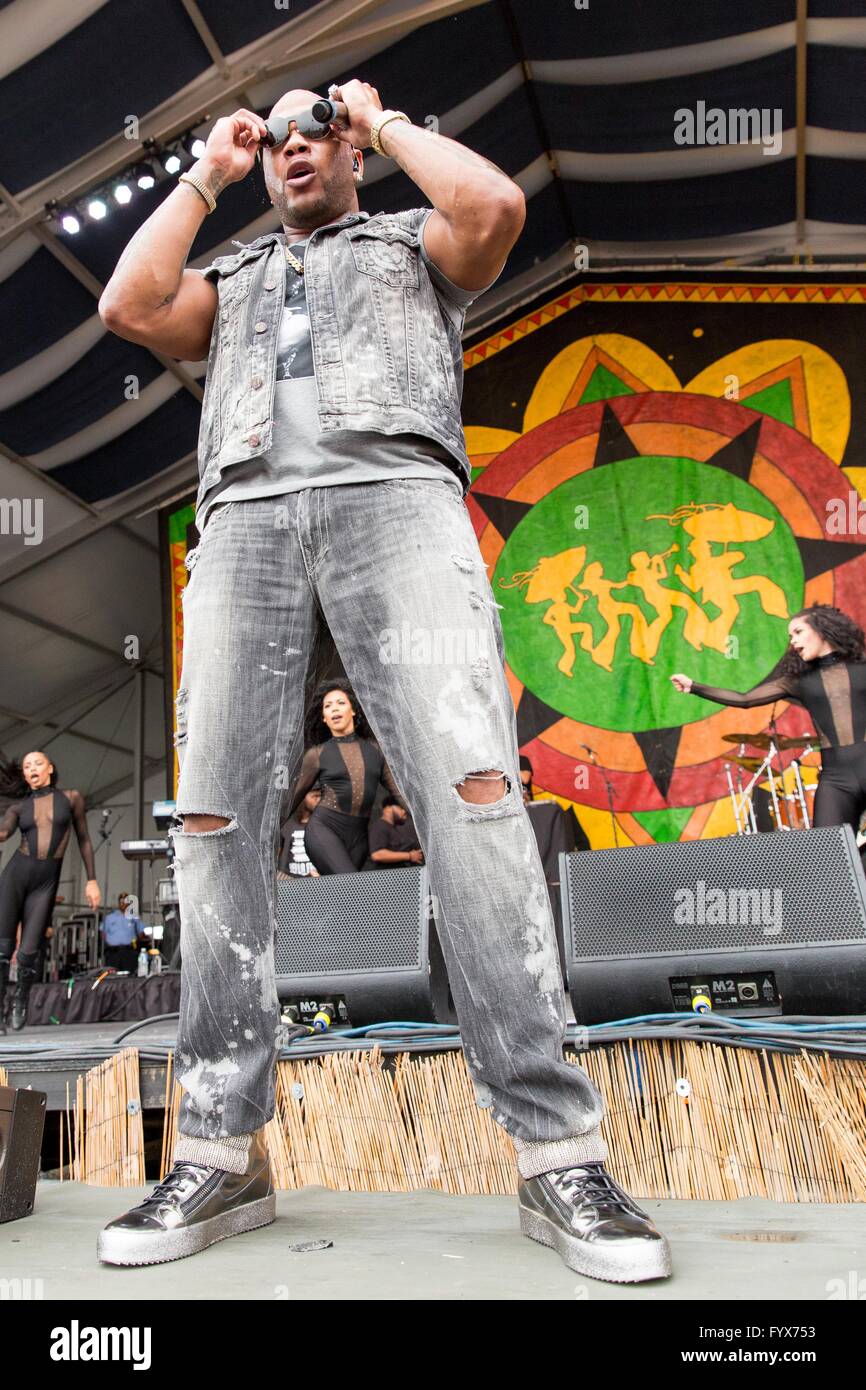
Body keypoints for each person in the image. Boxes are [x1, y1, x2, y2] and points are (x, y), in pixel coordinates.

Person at [96, 79, 671, 1283]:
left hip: (395, 498)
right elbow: (129, 300)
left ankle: (555, 1148)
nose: (295, 152)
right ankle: (221, 1145)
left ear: (350, 151)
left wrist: (382, 122)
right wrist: (208, 168)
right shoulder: (240, 276)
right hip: (244, 515)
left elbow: (497, 206)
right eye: (281, 143)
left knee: (471, 799)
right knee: (210, 824)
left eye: (318, 138)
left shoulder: (409, 238)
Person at [671, 604, 866, 849]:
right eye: (790, 636)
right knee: (828, 854)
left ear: (822, 629)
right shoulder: (797, 682)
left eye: (798, 632)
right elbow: (745, 699)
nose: (793, 641)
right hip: (836, 779)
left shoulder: (862, 669)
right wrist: (694, 687)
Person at [0, 750, 100, 1031]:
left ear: (50, 768)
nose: (32, 768)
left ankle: (20, 999)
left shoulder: (71, 798)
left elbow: (84, 840)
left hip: (44, 885)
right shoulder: (18, 808)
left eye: (38, 763)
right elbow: (4, 833)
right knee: (3, 949)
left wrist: (92, 880)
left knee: (29, 951)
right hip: (14, 878)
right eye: (27, 766)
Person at [286, 682, 404, 874]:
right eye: (328, 706)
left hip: (359, 837)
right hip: (324, 829)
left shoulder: (376, 751)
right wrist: (262, 836)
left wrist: (427, 823)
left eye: (340, 703)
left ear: (354, 710)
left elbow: (399, 793)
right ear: (324, 718)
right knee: (353, 892)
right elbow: (290, 800)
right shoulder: (317, 754)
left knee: (341, 897)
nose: (334, 708)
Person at [367, 794, 424, 868]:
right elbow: (377, 855)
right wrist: (409, 856)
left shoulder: (393, 828)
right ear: (387, 808)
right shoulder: (380, 826)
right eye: (400, 807)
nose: (404, 811)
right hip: (388, 877)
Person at [277, 787, 321, 877]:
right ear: (303, 797)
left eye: (321, 796)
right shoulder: (287, 824)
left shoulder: (324, 827)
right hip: (289, 879)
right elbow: (277, 853)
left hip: (317, 881)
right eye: (315, 796)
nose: (319, 800)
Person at [100, 893, 144, 973]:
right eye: (121, 901)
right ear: (118, 903)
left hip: (129, 952)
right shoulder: (110, 917)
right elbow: (103, 933)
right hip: (113, 953)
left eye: (125, 901)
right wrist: (109, 944)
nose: (123, 903)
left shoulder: (134, 917)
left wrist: (136, 943)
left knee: (130, 976)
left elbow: (141, 932)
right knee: (112, 976)